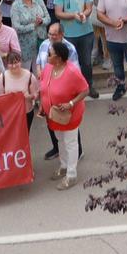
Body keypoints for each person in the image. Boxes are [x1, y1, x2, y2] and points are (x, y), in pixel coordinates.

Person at [39, 39, 89, 190]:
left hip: (69, 115)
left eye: (50, 54)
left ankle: (71, 174)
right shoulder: (48, 67)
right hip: (53, 114)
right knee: (59, 139)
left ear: (59, 58)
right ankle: (64, 165)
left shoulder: (72, 71)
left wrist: (71, 103)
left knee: (70, 142)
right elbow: (44, 87)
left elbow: (85, 90)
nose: (47, 56)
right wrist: (43, 104)